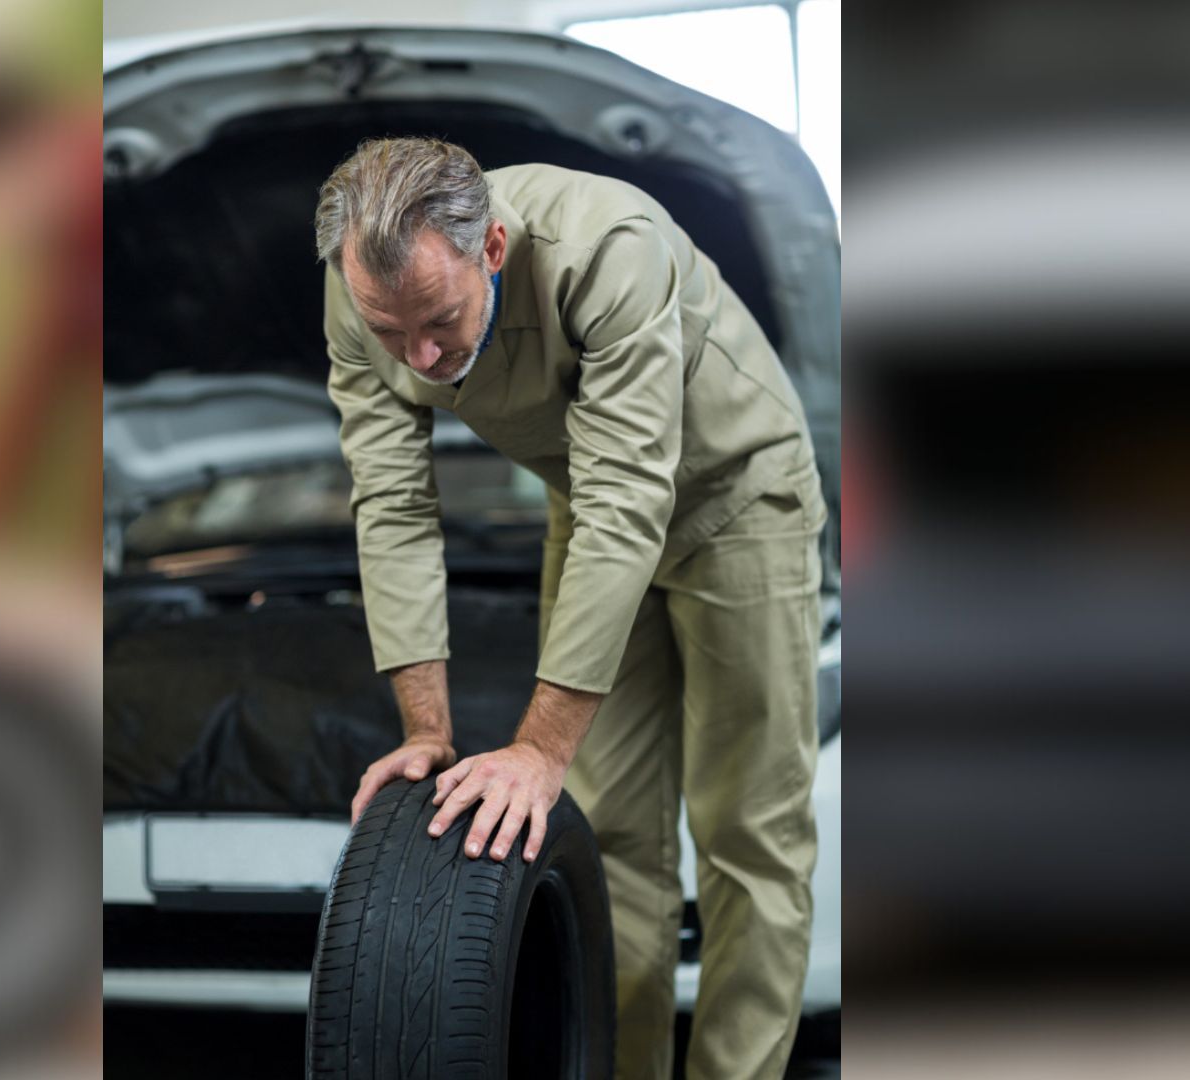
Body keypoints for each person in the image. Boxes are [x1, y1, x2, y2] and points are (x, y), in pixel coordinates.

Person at [320, 136, 826, 1080]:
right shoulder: (366, 285)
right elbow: (391, 502)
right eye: (390, 334)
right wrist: (426, 728)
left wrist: (540, 748)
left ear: (495, 249)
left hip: (736, 498)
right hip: (586, 504)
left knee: (749, 834)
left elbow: (633, 496)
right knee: (614, 831)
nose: (420, 359)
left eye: (439, 321)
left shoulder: (609, 247)